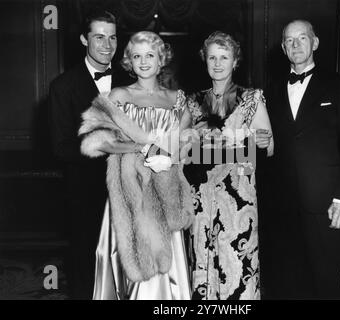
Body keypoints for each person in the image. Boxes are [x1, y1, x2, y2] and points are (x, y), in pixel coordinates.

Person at [79, 31, 193, 300]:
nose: (143, 62)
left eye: (150, 55)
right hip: (128, 193)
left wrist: (174, 155)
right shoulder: (119, 95)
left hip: (165, 193)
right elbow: (95, 141)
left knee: (167, 275)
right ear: (129, 60)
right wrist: (141, 147)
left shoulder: (176, 99)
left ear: (160, 59)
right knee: (133, 271)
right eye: (137, 56)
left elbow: (186, 144)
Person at [262, 20, 340, 299]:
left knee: (329, 284)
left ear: (314, 43)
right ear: (283, 48)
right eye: (289, 41)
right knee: (289, 284)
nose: (295, 45)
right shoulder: (270, 92)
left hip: (327, 205)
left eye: (302, 38)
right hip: (284, 207)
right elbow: (270, 150)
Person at [184, 31, 273, 300]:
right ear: (205, 61)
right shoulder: (192, 101)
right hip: (201, 200)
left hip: (239, 200)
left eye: (224, 57)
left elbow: (269, 148)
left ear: (235, 61)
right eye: (212, 57)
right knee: (202, 266)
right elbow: (183, 152)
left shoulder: (251, 98)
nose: (218, 63)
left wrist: (259, 141)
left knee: (238, 270)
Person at [48, 9, 131, 299]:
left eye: (112, 38)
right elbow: (60, 147)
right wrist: (108, 147)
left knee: (127, 269)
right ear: (84, 39)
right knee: (86, 271)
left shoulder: (132, 82)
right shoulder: (63, 86)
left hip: (128, 192)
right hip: (85, 194)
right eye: (99, 37)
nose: (107, 45)